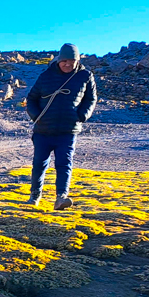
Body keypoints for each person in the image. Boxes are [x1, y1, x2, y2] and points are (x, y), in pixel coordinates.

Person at [25, 43, 98, 208]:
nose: (67, 64)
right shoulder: (46, 76)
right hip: (43, 129)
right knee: (39, 163)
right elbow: (31, 98)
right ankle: (34, 196)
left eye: (71, 61)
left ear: (77, 61)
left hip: (68, 130)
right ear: (58, 60)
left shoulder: (85, 76)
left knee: (64, 164)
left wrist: (82, 115)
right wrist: (37, 117)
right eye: (64, 61)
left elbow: (91, 99)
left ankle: (61, 197)